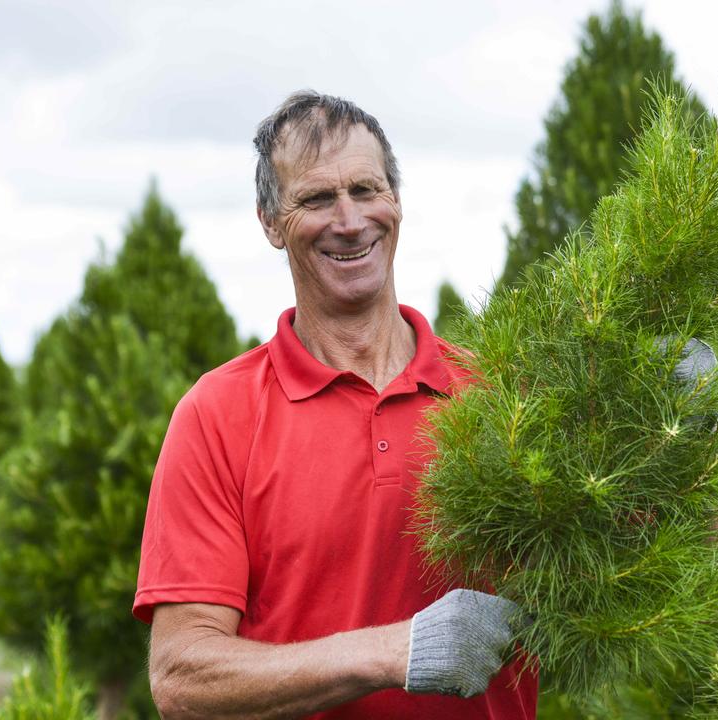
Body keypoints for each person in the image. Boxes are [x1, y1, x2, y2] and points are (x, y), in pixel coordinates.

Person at [132, 91, 539, 719]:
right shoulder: (219, 415)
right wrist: (396, 652)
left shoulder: (499, 396)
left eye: (366, 190)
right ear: (270, 221)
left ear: (396, 202)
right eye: (316, 199)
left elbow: (673, 566)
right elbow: (183, 680)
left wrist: (692, 432)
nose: (349, 220)